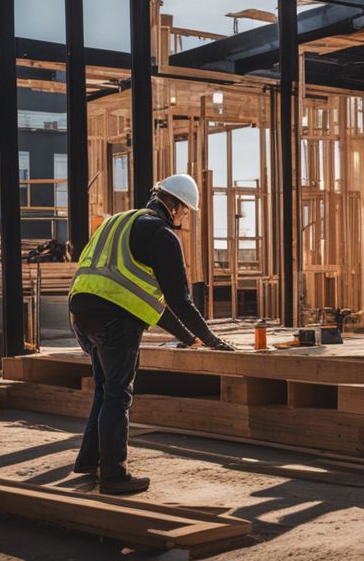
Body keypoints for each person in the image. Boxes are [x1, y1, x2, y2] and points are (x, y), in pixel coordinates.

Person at [67, 173, 234, 494]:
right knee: (118, 394)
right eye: (186, 212)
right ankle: (113, 475)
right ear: (177, 208)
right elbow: (180, 301)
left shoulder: (118, 222)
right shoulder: (161, 234)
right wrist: (214, 341)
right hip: (115, 320)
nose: (184, 218)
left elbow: (149, 301)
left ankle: (90, 460)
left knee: (105, 389)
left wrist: (190, 339)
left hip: (81, 314)